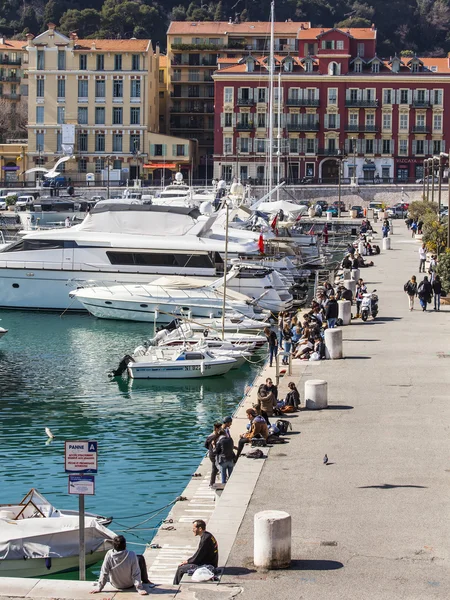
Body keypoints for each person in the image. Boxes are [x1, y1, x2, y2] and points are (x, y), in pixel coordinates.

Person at [173, 520, 218, 585]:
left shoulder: (205, 540)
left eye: (194, 528)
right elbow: (199, 553)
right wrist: (189, 560)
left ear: (200, 529)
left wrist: (188, 561)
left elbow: (198, 556)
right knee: (184, 566)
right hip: (211, 562)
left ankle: (175, 586)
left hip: (207, 565)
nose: (192, 530)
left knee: (181, 569)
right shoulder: (208, 535)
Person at [204, 423, 222, 487]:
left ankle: (212, 482)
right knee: (214, 469)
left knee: (215, 468)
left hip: (211, 454)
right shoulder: (216, 436)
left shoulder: (210, 436)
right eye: (220, 428)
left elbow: (205, 445)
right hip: (214, 454)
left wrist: (210, 449)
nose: (221, 429)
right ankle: (212, 483)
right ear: (217, 429)